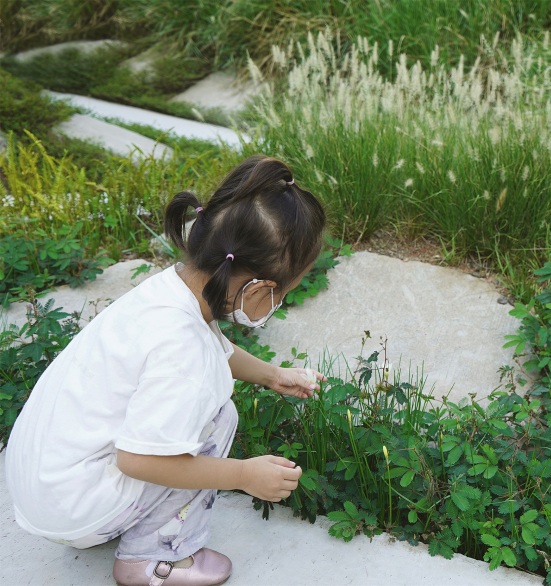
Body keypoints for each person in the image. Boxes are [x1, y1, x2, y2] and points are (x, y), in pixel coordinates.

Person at [5, 155, 327, 586]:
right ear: (258, 289)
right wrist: (244, 474)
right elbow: (140, 459)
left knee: (209, 411)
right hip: (72, 511)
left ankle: (111, 520)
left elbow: (213, 348)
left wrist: (271, 374)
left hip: (42, 485)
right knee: (218, 419)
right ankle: (152, 559)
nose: (279, 303)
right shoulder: (184, 351)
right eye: (283, 293)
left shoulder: (172, 290)